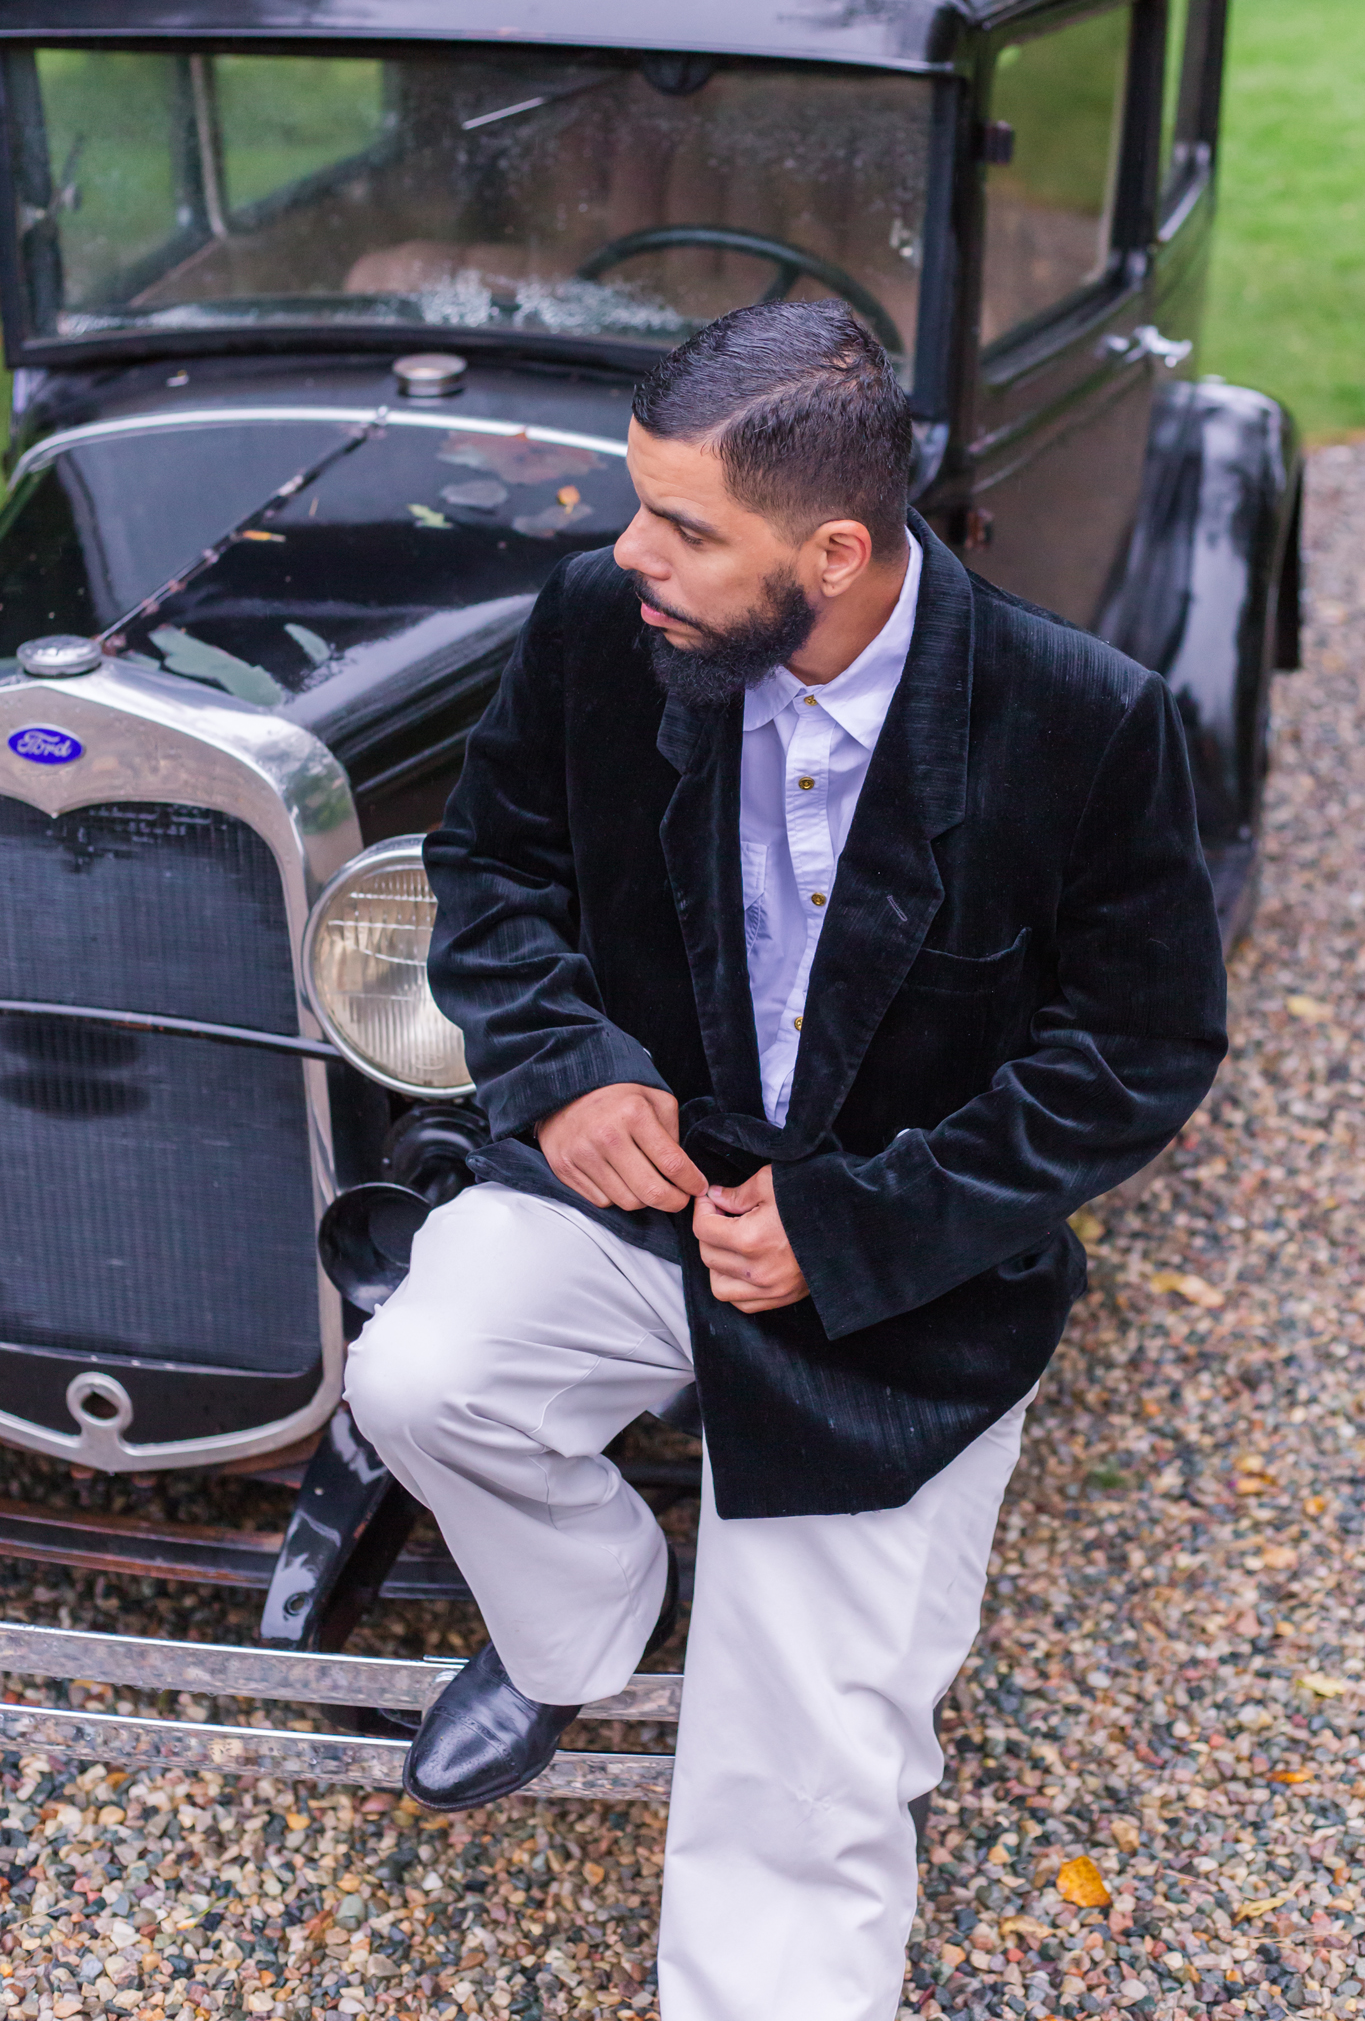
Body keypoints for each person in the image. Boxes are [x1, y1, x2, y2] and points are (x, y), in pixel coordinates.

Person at [344, 300, 1226, 2021]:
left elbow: (1137, 1050)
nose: (630, 552)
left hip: (900, 1271)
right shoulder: (603, 625)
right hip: (633, 1193)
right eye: (639, 505)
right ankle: (579, 1626)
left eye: (681, 526)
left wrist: (851, 1226)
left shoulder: (1082, 719)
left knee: (800, 1764)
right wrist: (565, 1071)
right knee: (421, 1378)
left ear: (832, 554)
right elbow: (495, 868)